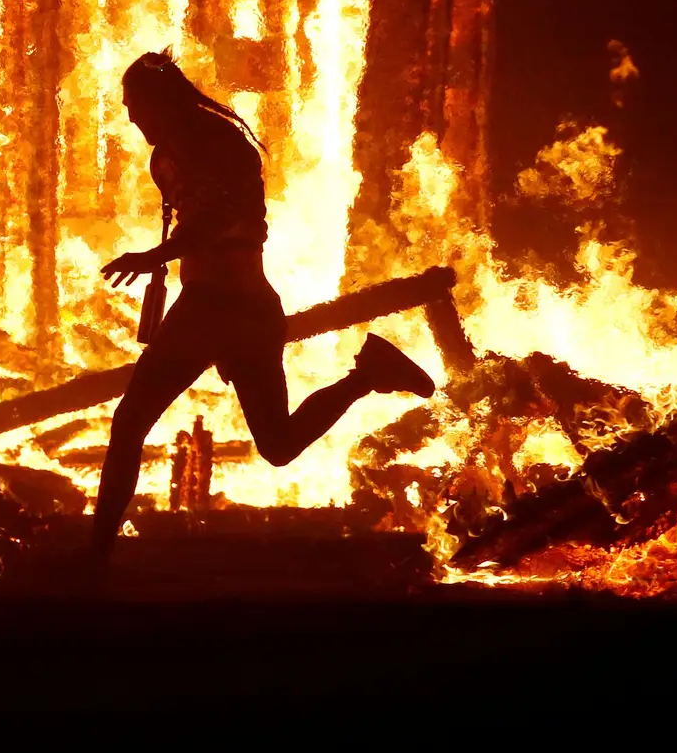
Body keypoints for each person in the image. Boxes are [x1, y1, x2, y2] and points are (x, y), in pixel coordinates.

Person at [93, 49, 435, 559]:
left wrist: (154, 256)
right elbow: (227, 217)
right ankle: (368, 374)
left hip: (215, 308)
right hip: (241, 306)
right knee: (275, 444)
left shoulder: (195, 142)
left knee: (131, 423)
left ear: (157, 101)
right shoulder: (197, 141)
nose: (131, 117)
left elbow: (218, 219)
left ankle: (96, 556)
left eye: (134, 104)